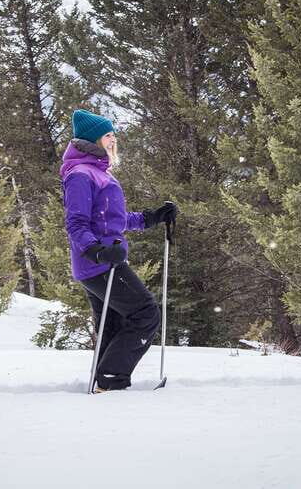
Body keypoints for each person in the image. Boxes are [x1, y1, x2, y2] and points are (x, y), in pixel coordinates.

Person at [61, 109, 177, 392]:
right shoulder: (80, 174)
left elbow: (112, 219)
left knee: (113, 325)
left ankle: (103, 384)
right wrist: (95, 251)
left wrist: (151, 217)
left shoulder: (99, 173)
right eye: (108, 135)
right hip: (99, 264)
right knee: (145, 313)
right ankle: (111, 379)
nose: (114, 140)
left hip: (101, 261)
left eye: (113, 134)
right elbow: (76, 222)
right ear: (93, 140)